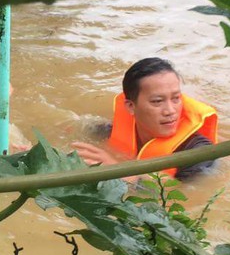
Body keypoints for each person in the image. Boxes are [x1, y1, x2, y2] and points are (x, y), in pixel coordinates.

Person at [73, 57, 218, 181]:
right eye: (157, 101)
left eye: (176, 98)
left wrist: (117, 171)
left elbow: (188, 197)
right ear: (130, 106)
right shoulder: (111, 130)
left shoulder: (199, 153)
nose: (170, 111)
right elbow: (69, 128)